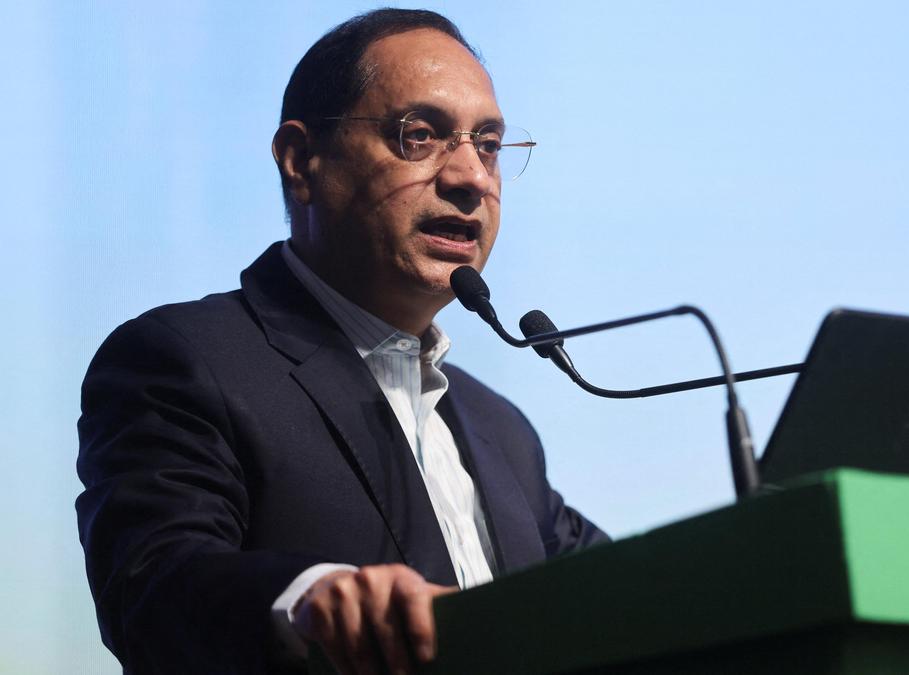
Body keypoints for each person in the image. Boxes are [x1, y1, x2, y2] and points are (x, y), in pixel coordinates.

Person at [75, 9, 607, 674]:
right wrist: (310, 598)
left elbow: (622, 596)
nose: (472, 177)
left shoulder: (503, 431)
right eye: (421, 135)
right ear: (302, 161)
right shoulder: (183, 361)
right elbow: (151, 587)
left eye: (489, 145)